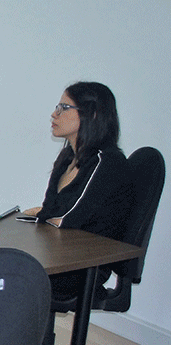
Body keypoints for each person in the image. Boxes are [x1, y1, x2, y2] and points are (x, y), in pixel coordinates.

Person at [21, 81, 131, 297]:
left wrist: (46, 215)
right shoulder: (67, 157)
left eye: (64, 108)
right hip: (58, 255)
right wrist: (46, 215)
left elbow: (68, 219)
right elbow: (49, 211)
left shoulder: (108, 162)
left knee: (5, 274)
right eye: (57, 107)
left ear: (92, 114)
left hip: (83, 266)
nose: (54, 114)